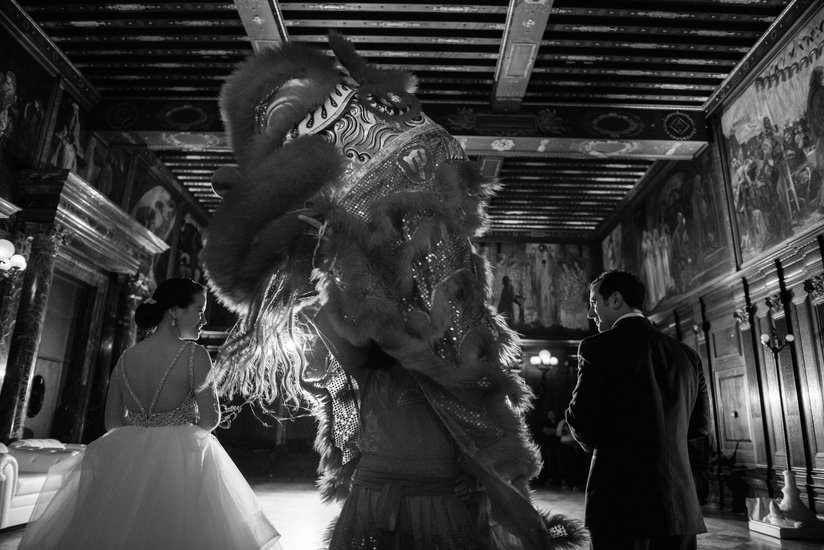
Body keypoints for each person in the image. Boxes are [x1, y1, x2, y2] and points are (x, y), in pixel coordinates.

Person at [19, 278, 282, 550]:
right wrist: (179, 426)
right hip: (182, 464)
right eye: (199, 310)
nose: (203, 320)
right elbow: (210, 420)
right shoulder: (195, 355)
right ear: (174, 311)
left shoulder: (126, 357)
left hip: (126, 463)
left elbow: (112, 422)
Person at [565, 270, 711, 550]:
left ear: (616, 300)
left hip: (619, 501)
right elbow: (700, 426)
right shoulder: (686, 355)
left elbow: (581, 418)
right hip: (678, 504)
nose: (590, 314)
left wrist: (595, 442)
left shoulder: (597, 348)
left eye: (595, 303)